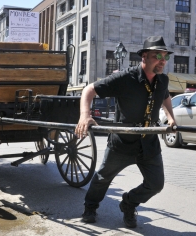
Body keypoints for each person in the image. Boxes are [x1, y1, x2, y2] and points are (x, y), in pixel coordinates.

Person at [75, 36, 176, 228]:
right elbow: (89, 90)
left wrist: (170, 117)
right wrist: (84, 116)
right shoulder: (125, 78)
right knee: (103, 177)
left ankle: (129, 203)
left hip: (149, 141)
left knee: (156, 184)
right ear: (144, 57)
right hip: (123, 141)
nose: (163, 61)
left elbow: (165, 97)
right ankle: (90, 207)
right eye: (158, 56)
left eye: (165, 57)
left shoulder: (163, 79)